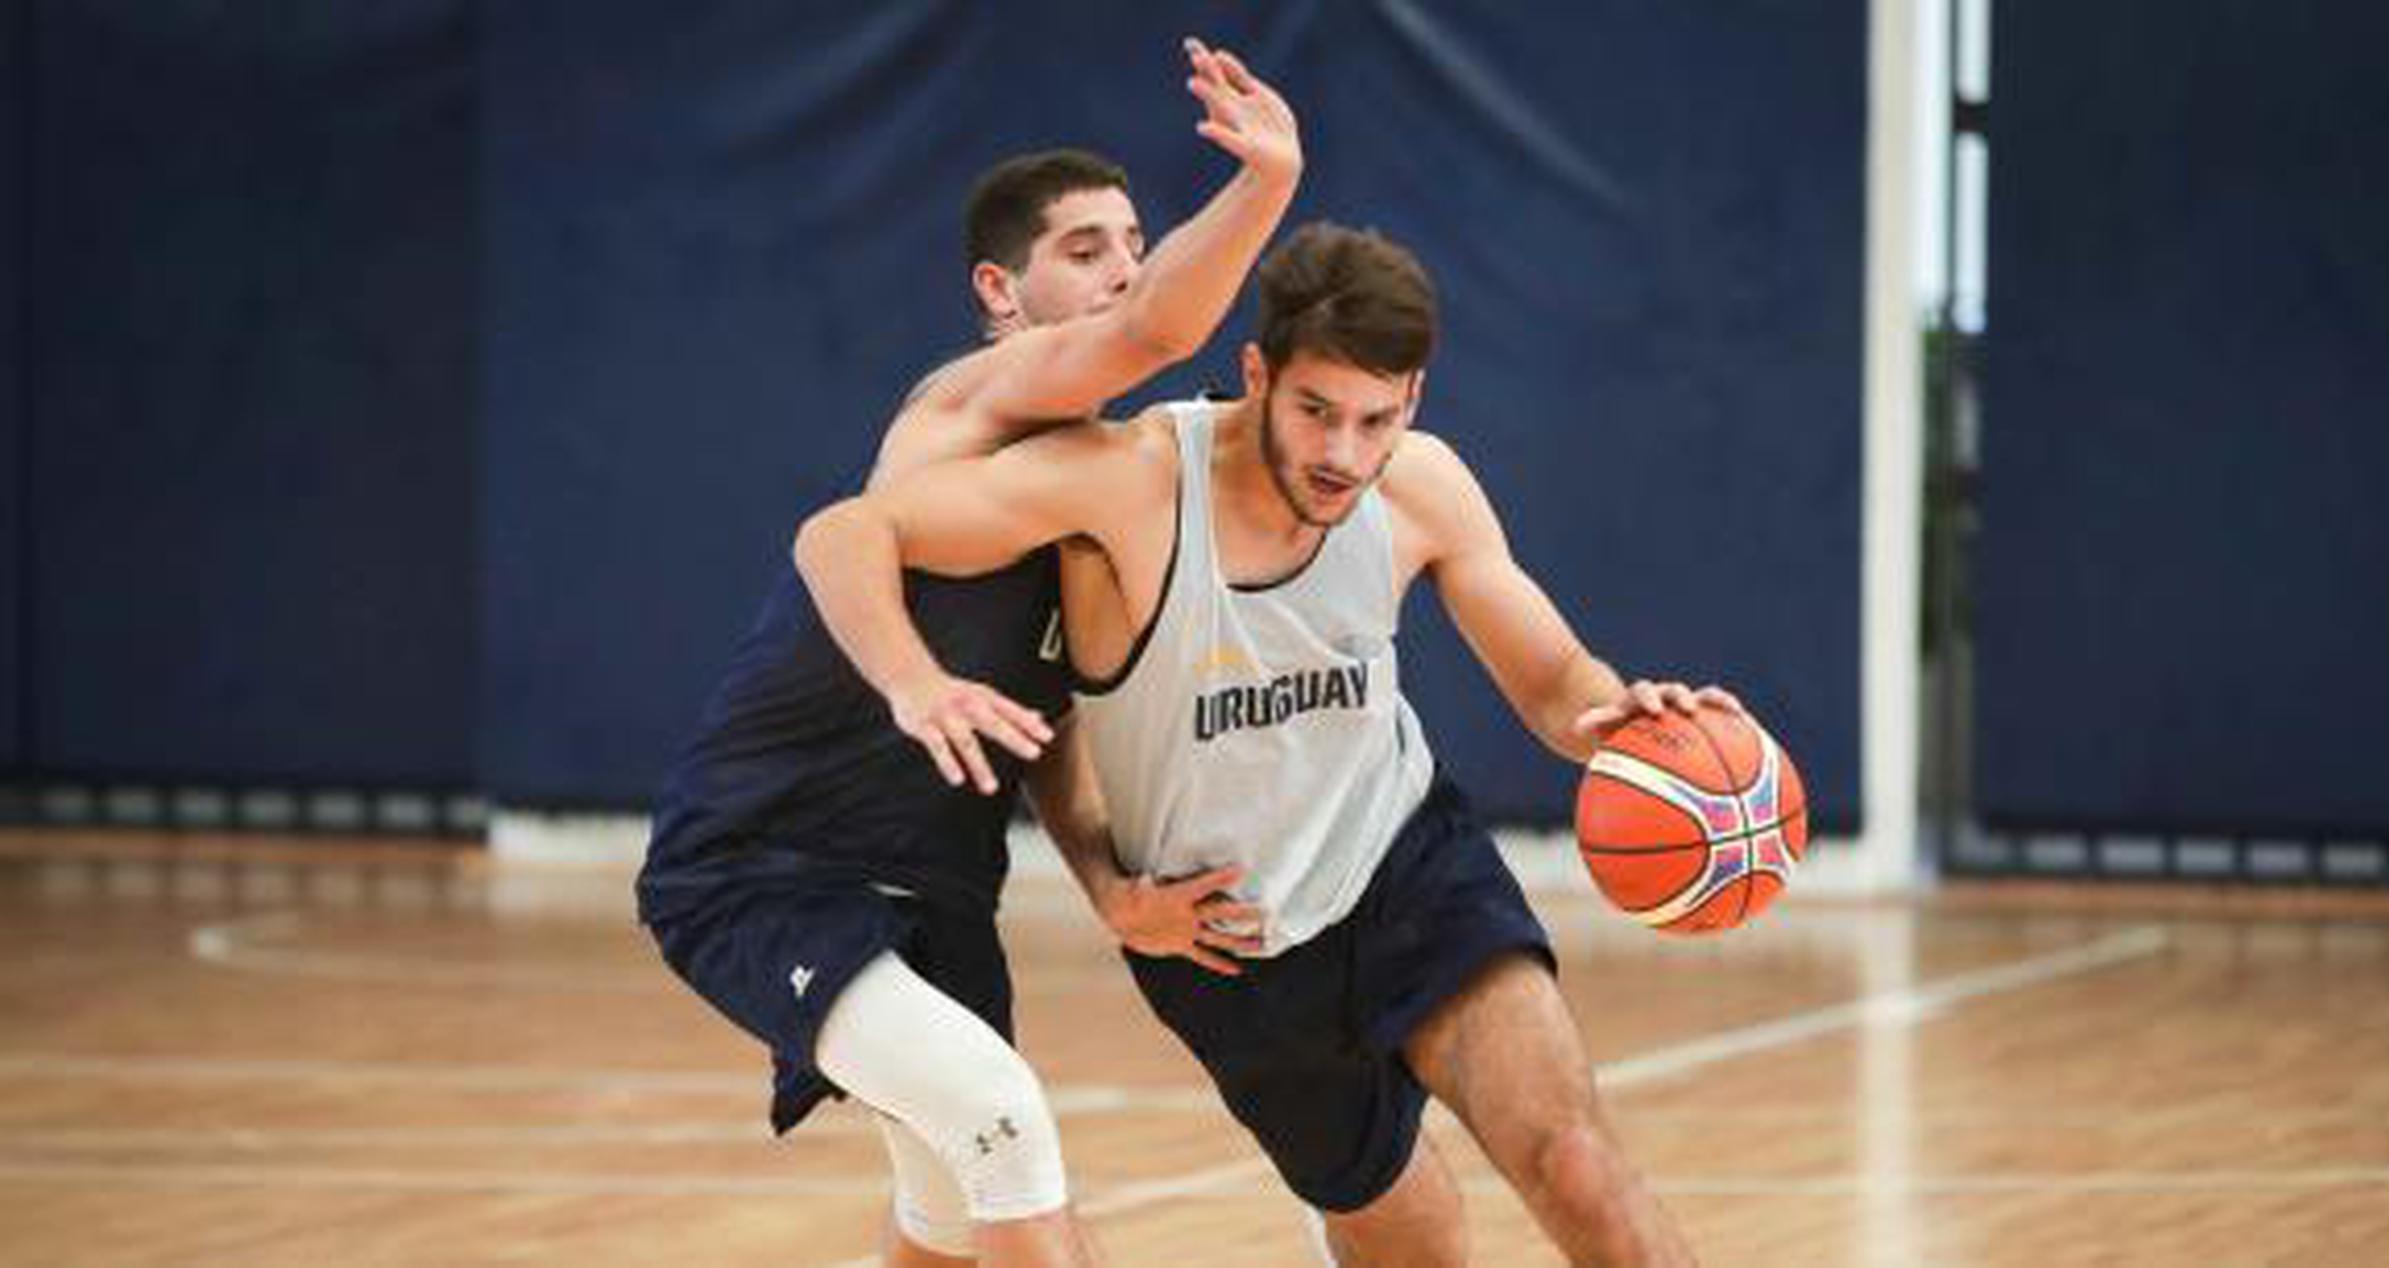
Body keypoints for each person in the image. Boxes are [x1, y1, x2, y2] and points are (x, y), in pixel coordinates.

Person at [798, 222, 1736, 1265]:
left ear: (1414, 399)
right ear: (1257, 375)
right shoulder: (1131, 482)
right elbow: (846, 533)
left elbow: (1558, 683)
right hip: (1228, 942)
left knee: (1575, 1163)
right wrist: (921, 690)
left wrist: (1623, 723)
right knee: (1420, 1244)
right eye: (1316, 412)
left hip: (1406, 867)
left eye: (1377, 419)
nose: (1344, 455)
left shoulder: (1419, 485)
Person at [636, 39, 1299, 1268]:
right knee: (1005, 1127)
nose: (1124, 268)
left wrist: (1110, 890)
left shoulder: (1080, 495)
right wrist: (1268, 182)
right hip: (766, 863)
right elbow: (836, 536)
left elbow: (1048, 738)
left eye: (1134, 242)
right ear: (1000, 290)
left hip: (936, 891)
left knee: (949, 1220)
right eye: (1084, 249)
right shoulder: (971, 403)